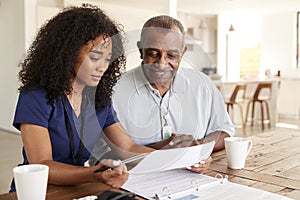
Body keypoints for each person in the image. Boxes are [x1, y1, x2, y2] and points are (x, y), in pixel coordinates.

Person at [10, 4, 153, 192]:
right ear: (67, 53)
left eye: (107, 59)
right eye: (95, 57)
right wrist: (95, 173)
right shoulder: (35, 96)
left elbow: (127, 146)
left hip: (79, 189)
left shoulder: (99, 100)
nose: (102, 67)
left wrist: (181, 158)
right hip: (38, 191)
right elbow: (42, 166)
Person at [90, 15, 235, 173]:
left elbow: (224, 131)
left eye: (171, 55)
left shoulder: (203, 85)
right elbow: (101, 156)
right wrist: (164, 150)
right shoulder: (111, 91)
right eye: (153, 54)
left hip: (193, 179)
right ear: (141, 50)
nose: (161, 64)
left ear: (183, 52)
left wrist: (198, 148)